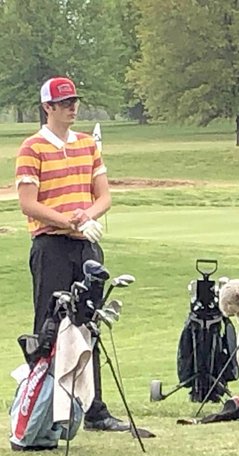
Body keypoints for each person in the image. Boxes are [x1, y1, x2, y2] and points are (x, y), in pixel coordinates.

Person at [15, 76, 137, 433]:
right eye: (64, 102)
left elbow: (103, 196)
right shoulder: (32, 148)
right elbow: (28, 203)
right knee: (50, 325)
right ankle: (42, 404)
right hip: (51, 246)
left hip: (86, 246)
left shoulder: (86, 144)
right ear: (47, 107)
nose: (72, 107)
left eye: (74, 101)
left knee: (88, 322)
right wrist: (68, 220)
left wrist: (88, 216)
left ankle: (94, 408)